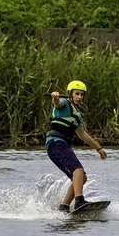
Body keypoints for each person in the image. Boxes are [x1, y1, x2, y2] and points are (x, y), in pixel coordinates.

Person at [46, 80, 107, 211]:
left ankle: (64, 207)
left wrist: (98, 148)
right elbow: (57, 103)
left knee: (82, 177)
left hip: (62, 146)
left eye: (82, 94)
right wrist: (55, 97)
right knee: (78, 170)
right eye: (77, 94)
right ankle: (79, 201)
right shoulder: (64, 104)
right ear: (69, 94)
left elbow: (82, 134)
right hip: (56, 143)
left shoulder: (77, 115)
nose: (80, 97)